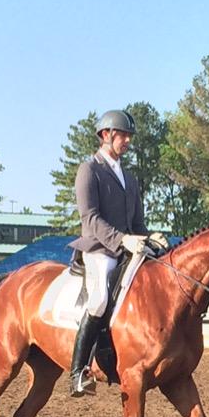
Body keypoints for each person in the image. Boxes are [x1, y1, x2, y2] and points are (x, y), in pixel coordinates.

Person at [67, 109, 164, 397]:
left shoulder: (130, 179)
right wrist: (123, 240)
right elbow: (91, 219)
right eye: (122, 135)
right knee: (98, 302)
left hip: (127, 249)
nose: (127, 141)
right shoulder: (90, 170)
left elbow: (137, 224)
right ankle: (77, 372)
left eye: (129, 136)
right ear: (106, 135)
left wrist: (150, 238)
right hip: (99, 249)